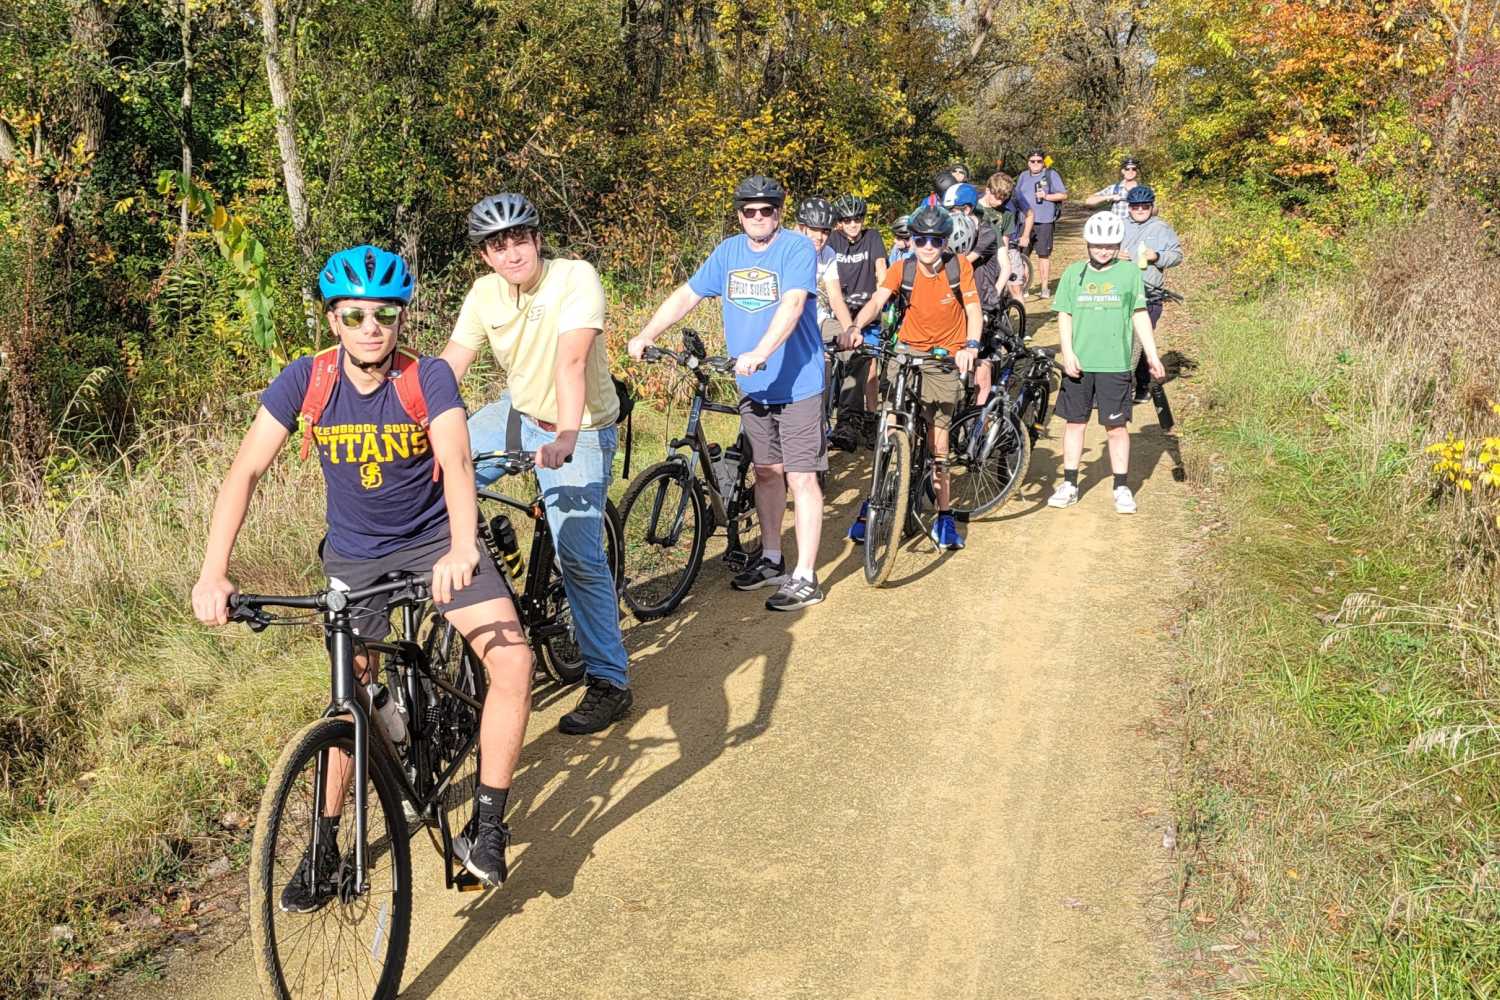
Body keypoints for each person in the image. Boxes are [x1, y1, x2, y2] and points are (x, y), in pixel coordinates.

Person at [191, 245, 531, 892]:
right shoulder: (307, 380)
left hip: (436, 539)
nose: (371, 328)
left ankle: (486, 827)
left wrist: (463, 547)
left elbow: (457, 464)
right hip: (355, 555)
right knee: (350, 698)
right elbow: (246, 471)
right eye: (354, 316)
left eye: (385, 315)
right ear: (333, 321)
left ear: (402, 320)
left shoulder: (426, 377)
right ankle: (324, 849)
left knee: (513, 661)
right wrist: (215, 572)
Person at [442, 193, 632, 737]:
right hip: (517, 412)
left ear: (537, 239)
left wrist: (567, 433)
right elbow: (450, 365)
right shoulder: (484, 294)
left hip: (580, 424)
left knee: (578, 557)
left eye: (519, 239)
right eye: (497, 245)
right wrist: (404, 417)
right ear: (485, 255)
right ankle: (486, 584)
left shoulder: (575, 278)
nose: (510, 253)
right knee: (439, 476)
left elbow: (571, 362)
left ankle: (609, 681)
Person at [629, 175, 828, 611]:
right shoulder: (728, 252)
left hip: (797, 384)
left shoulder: (795, 249)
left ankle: (806, 575)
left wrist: (760, 350)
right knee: (767, 472)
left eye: (767, 210)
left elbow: (793, 305)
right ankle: (773, 558)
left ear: (779, 212)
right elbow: (687, 295)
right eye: (749, 210)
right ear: (739, 214)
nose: (757, 217)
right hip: (754, 386)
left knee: (801, 477)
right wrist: (646, 333)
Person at [845, 205, 981, 550]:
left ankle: (944, 516)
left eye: (936, 240)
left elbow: (974, 310)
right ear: (913, 242)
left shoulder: (958, 267)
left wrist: (970, 345)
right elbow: (878, 300)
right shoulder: (901, 268)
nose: (928, 246)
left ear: (945, 241)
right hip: (907, 354)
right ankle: (873, 503)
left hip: (944, 358)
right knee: (889, 429)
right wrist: (855, 326)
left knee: (939, 445)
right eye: (921, 240)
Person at [1047, 212, 1165, 514]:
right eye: (1098, 245)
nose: (1104, 250)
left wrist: (1152, 355)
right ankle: (1070, 483)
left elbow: (1139, 315)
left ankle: (1121, 485)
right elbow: (1065, 315)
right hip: (1081, 363)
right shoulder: (1074, 274)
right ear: (1088, 243)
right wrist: (1068, 353)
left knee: (1116, 426)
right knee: (1075, 423)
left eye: (1110, 245)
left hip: (1115, 363)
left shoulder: (1128, 274)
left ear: (1118, 245)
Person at [827, 194, 888, 452]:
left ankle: (870, 420)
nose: (853, 225)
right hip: (839, 312)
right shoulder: (831, 241)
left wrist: (881, 298)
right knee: (831, 362)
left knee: (869, 367)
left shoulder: (872, 237)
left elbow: (882, 273)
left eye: (858, 219)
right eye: (847, 220)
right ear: (839, 222)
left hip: (868, 312)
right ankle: (834, 418)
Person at [1117, 185, 1183, 402]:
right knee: (1121, 339)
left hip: (1150, 294)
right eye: (1135, 206)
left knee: (1140, 340)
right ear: (1129, 208)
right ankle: (1120, 385)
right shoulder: (1120, 225)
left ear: (1151, 207)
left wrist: (1157, 256)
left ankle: (1141, 385)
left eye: (1145, 206)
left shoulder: (1161, 228)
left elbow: (1177, 255)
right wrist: (1116, 255)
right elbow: (1102, 250)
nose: (1140, 210)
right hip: (1122, 291)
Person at [795, 196, 855, 343]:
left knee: (856, 348)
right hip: (788, 323)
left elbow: (835, 297)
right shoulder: (784, 249)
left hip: (818, 321)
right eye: (814, 229)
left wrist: (850, 330)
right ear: (801, 227)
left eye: (825, 231)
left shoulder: (828, 253)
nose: (820, 237)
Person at [1013, 148, 1067, 299]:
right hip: (1024, 221)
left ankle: (1044, 288)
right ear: (1028, 162)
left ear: (1043, 162)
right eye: (1032, 161)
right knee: (1022, 255)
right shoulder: (1023, 176)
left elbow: (1063, 195)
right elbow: (1016, 196)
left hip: (1044, 221)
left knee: (1044, 255)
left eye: (1039, 161)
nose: (1036, 163)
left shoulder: (1051, 174)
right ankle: (1024, 286)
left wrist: (1047, 196)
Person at [979, 171, 1034, 304]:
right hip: (980, 252)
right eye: (997, 198)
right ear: (987, 190)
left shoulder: (1007, 214)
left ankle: (1021, 319)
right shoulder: (973, 208)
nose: (999, 203)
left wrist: (1025, 236)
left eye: (1003, 199)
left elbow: (1004, 243)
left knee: (1015, 288)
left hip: (1005, 249)